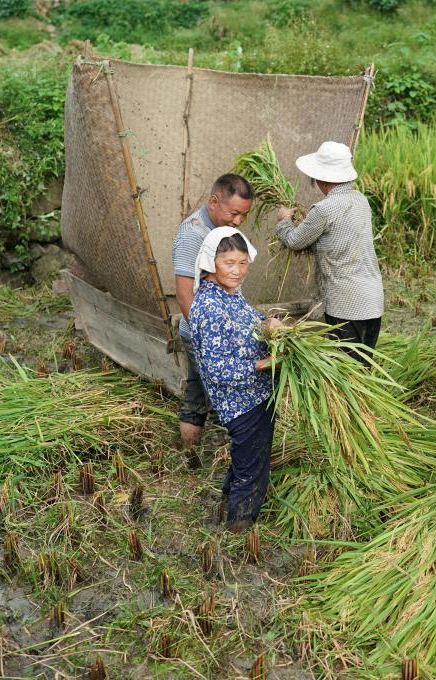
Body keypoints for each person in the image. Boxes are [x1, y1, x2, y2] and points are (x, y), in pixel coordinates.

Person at [188, 227, 281, 533]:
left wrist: (267, 323)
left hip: (256, 396)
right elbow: (216, 370)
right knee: (251, 471)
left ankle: (226, 510)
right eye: (229, 263)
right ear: (210, 262)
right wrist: (260, 365)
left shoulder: (230, 294)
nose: (237, 271)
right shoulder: (209, 307)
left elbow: (248, 317)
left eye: (243, 263)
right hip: (241, 402)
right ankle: (238, 530)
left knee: (246, 460)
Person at [171, 174, 255, 463]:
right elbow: (184, 294)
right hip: (203, 333)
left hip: (218, 332)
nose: (238, 221)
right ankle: (225, 458)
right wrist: (207, 336)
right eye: (234, 213)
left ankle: (194, 457)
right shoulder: (193, 234)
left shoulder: (223, 231)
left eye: (244, 215)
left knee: (198, 390)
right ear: (214, 201)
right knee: (225, 394)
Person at [275, 141, 383, 364]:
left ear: (322, 178)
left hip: (346, 303)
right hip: (372, 300)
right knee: (364, 368)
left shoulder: (324, 209)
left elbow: (295, 241)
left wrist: (285, 220)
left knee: (346, 370)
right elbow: (337, 242)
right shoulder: (361, 201)